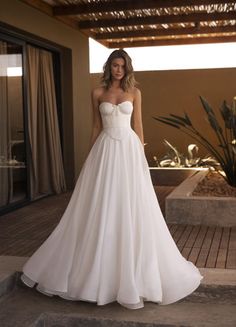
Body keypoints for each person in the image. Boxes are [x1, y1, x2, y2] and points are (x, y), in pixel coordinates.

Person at [21, 49, 203, 309]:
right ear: (109, 67)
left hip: (128, 150)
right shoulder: (97, 93)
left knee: (131, 203)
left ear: (127, 68)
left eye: (122, 66)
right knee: (100, 204)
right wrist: (89, 157)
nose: (118, 70)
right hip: (104, 150)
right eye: (115, 65)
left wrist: (141, 156)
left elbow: (138, 126)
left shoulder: (135, 93)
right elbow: (96, 126)